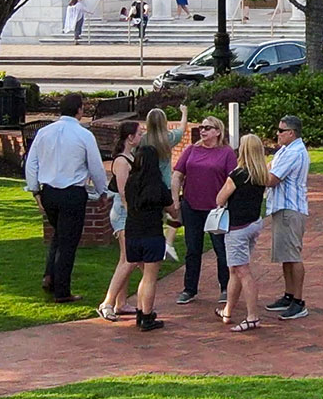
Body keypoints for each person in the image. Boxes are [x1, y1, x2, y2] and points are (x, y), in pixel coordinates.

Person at [24, 92, 107, 304]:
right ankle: (62, 291)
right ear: (79, 110)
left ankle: (49, 275)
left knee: (59, 235)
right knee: (68, 243)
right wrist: (102, 191)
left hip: (49, 192)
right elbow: (96, 167)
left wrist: (35, 191)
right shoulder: (84, 135)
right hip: (72, 193)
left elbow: (31, 163)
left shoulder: (44, 132)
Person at [99, 109, 178, 321]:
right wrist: (135, 216)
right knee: (129, 261)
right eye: (139, 133)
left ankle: (121, 303)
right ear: (130, 137)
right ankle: (108, 302)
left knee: (132, 260)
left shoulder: (133, 158)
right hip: (126, 214)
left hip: (132, 215)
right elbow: (124, 194)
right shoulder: (123, 161)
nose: (142, 136)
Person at [173, 117, 236, 306]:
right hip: (191, 207)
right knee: (193, 249)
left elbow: (233, 181)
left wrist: (224, 202)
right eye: (201, 127)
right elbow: (177, 174)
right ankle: (189, 289)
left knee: (221, 249)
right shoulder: (191, 150)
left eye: (207, 128)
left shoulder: (226, 153)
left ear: (218, 131)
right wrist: (175, 199)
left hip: (216, 210)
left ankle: (225, 287)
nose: (203, 130)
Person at [214, 132, 271, 331]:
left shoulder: (237, 175)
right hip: (253, 224)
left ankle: (252, 316)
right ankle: (228, 310)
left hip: (237, 228)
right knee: (235, 269)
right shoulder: (261, 174)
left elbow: (220, 199)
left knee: (242, 271)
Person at [122, 139, 175, 330]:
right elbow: (171, 209)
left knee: (143, 275)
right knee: (150, 278)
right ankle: (146, 316)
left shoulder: (130, 183)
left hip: (132, 233)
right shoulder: (158, 186)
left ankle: (140, 310)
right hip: (152, 234)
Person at [264, 113, 311, 319]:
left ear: (291, 133)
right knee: (285, 255)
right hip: (282, 208)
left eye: (281, 130)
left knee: (293, 255)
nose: (278, 133)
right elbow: (269, 168)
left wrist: (250, 174)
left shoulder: (294, 152)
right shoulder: (285, 150)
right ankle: (289, 295)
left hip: (290, 210)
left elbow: (271, 179)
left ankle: (299, 302)